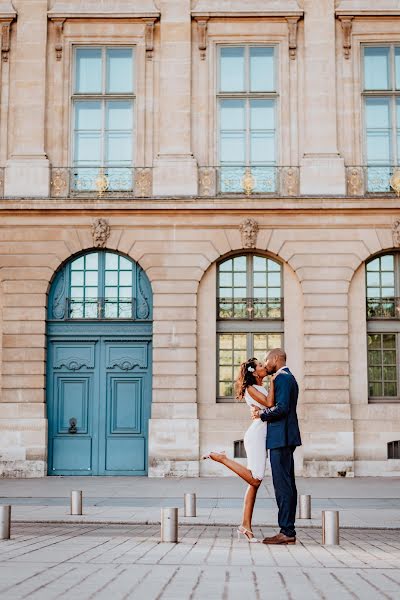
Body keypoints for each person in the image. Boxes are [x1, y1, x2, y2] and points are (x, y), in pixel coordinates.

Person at [202, 357, 276, 542]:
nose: (263, 367)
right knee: (256, 479)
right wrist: (274, 382)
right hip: (257, 434)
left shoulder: (259, 387)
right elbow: (268, 404)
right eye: (260, 365)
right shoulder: (251, 388)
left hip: (260, 433)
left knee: (253, 484)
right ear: (253, 371)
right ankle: (222, 458)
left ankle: (245, 525)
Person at [251, 348, 302, 545]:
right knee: (287, 484)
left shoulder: (282, 378)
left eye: (266, 360)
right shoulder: (288, 377)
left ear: (275, 359)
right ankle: (287, 529)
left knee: (283, 486)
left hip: (281, 438)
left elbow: (282, 408)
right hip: (285, 437)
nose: (265, 364)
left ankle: (286, 531)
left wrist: (261, 415)